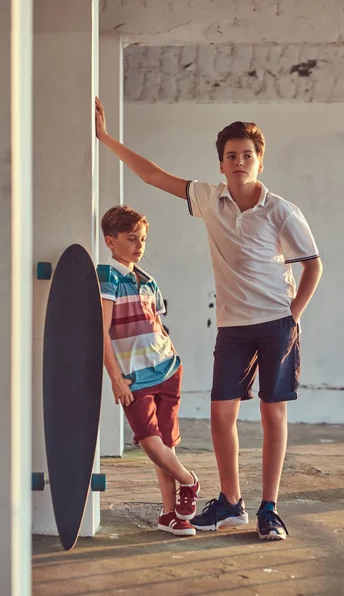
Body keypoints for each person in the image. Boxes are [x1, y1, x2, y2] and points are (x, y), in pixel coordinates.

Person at [95, 97, 323, 540]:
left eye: (247, 156)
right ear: (221, 164)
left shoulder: (282, 211)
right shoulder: (207, 197)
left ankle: (269, 509)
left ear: (260, 161)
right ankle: (231, 504)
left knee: (272, 414)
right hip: (232, 327)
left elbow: (313, 266)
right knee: (222, 416)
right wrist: (105, 139)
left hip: (276, 323)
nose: (239, 162)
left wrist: (292, 318)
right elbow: (153, 174)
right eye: (231, 156)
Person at [100, 204, 200, 537]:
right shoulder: (107, 277)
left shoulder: (147, 280)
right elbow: (100, 331)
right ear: (110, 241)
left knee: (166, 445)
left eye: (142, 238)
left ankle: (170, 514)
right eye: (131, 239)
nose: (139, 245)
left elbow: (157, 323)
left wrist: (171, 356)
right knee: (148, 440)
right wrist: (116, 378)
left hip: (168, 369)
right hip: (133, 378)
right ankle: (190, 480)